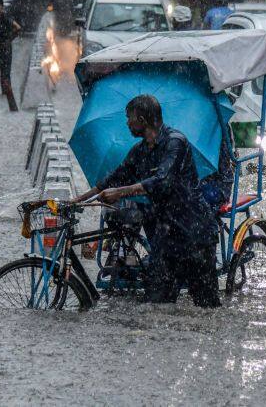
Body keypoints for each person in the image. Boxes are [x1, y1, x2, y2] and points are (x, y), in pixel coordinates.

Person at [73, 95, 221, 308]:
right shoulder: (140, 151)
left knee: (206, 308)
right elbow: (113, 178)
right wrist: (78, 200)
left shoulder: (175, 142)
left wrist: (120, 193)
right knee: (157, 305)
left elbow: (162, 180)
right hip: (166, 237)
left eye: (129, 118)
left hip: (194, 234)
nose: (127, 123)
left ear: (142, 119)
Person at [0, 0, 21, 111]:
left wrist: (9, 39)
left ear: (2, 5)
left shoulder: (5, 15)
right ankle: (5, 94)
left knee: (6, 72)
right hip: (0, 46)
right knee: (2, 71)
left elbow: (18, 27)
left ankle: (9, 95)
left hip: (6, 47)